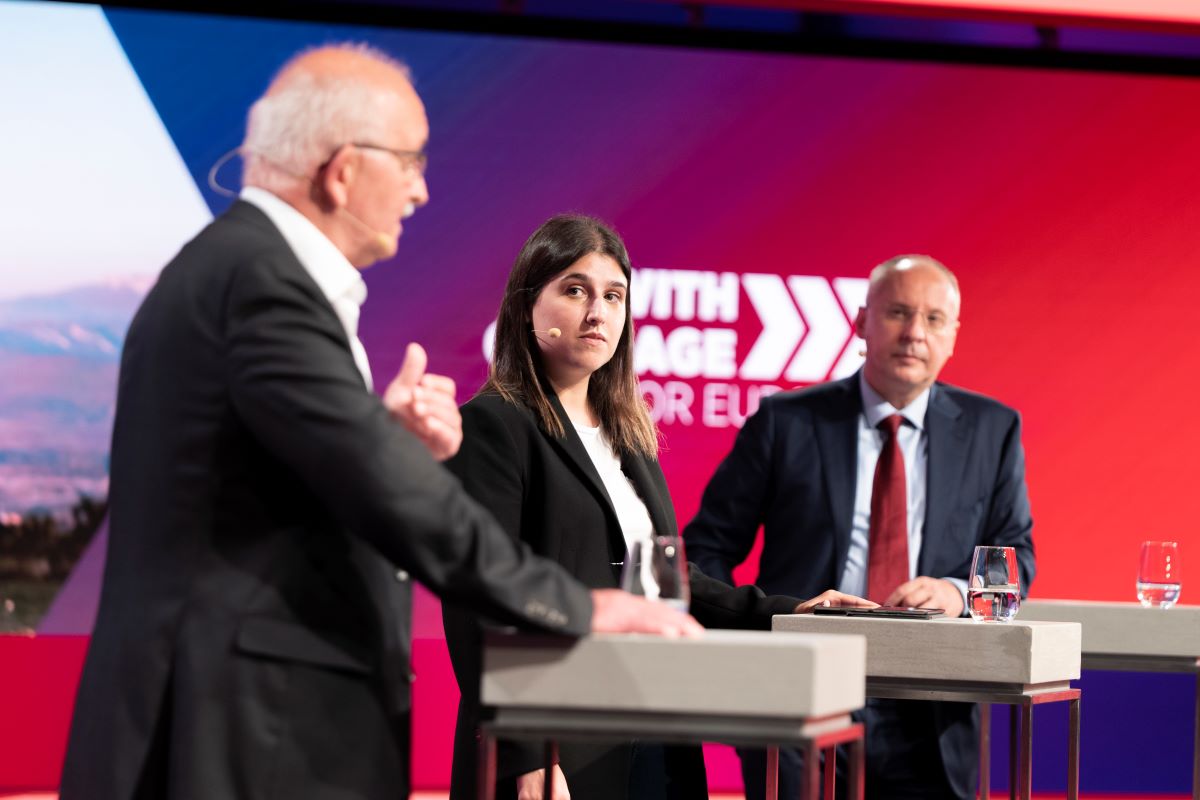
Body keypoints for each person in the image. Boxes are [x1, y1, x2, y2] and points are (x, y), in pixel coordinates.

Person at [58, 45, 701, 800]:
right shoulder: (262, 283)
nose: (421, 191)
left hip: (243, 720)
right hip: (232, 728)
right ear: (342, 171)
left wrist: (382, 438)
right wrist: (578, 606)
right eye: (409, 162)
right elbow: (396, 501)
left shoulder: (240, 270)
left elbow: (277, 485)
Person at [442, 214, 871, 800]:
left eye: (613, 296)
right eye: (574, 290)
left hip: (654, 728)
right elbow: (481, 602)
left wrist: (793, 612)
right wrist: (525, 754)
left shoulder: (628, 437)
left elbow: (666, 585)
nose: (597, 312)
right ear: (524, 306)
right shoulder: (494, 426)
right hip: (558, 742)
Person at [684, 255, 1036, 800]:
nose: (915, 333)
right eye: (898, 312)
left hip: (933, 698)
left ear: (953, 337)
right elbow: (706, 547)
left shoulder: (993, 430)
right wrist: (749, 636)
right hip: (801, 687)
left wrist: (956, 590)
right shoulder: (786, 422)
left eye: (933, 319)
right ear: (860, 322)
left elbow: (1017, 557)